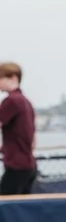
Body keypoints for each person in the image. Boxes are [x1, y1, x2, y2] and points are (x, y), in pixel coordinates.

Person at [0, 63, 37, 196]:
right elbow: (30, 138)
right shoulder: (26, 102)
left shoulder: (11, 101)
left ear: (13, 78)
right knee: (20, 211)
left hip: (16, 166)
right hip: (29, 166)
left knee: (5, 208)